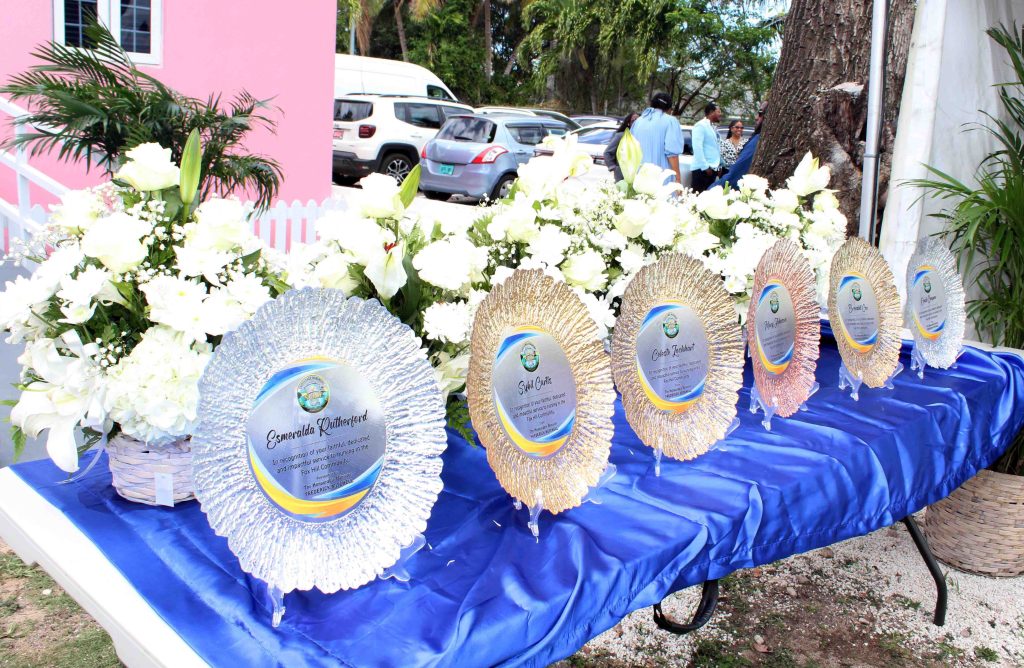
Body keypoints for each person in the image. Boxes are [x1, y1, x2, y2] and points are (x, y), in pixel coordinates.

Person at [629, 92, 684, 185]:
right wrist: (678, 179)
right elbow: (672, 154)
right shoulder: (671, 121)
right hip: (660, 178)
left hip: (638, 177)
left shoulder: (638, 121)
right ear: (669, 108)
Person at [713, 101, 768, 190]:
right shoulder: (724, 143)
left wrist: (711, 191)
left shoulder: (750, 142)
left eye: (741, 127)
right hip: (727, 173)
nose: (756, 117)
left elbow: (736, 174)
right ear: (731, 129)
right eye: (737, 127)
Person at [690, 102, 723, 192]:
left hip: (712, 169)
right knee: (697, 197)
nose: (720, 114)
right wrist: (705, 167)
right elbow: (697, 147)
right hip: (702, 170)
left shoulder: (712, 127)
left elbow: (716, 148)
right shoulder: (700, 125)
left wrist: (719, 166)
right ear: (711, 112)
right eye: (718, 111)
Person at [603, 111, 640, 182]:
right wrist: (613, 167)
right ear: (628, 123)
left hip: (637, 175)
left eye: (638, 121)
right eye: (633, 121)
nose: (635, 123)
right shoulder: (621, 136)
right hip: (622, 175)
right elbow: (607, 153)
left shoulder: (642, 136)